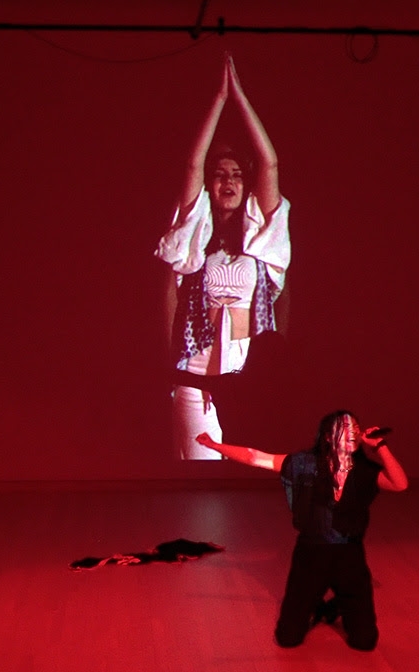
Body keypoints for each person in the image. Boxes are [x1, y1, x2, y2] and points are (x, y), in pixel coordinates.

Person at [156, 54, 290, 459]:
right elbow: (193, 162)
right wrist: (218, 100)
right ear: (210, 185)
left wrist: (240, 97)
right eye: (220, 174)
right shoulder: (194, 237)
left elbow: (269, 162)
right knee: (203, 481)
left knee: (251, 482)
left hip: (248, 378)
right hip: (197, 376)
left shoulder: (260, 237)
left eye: (236, 174)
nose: (228, 180)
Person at [195, 410, 409, 650]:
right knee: (288, 638)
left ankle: (335, 604)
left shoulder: (365, 471)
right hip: (310, 555)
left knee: (365, 642)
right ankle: (318, 606)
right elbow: (255, 457)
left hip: (350, 556)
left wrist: (380, 446)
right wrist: (214, 445)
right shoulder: (304, 464)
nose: (354, 433)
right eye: (345, 427)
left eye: (356, 428)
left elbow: (399, 484)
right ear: (328, 436)